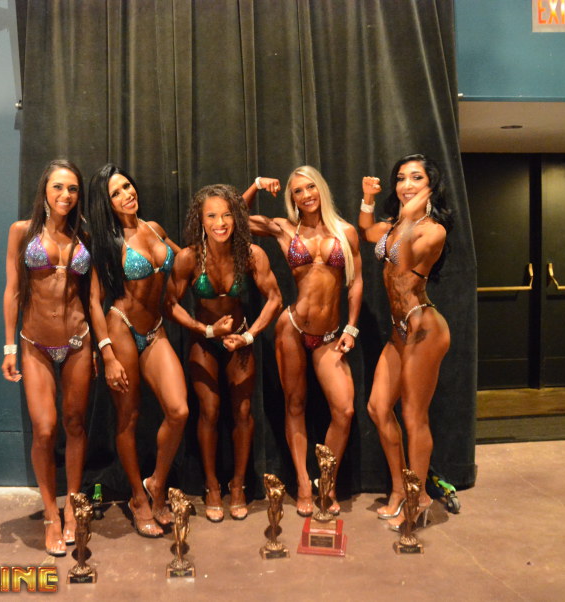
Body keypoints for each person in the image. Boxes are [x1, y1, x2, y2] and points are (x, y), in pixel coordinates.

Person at [2, 159, 108, 556]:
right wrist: (9, 347)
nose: (66, 195)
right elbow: (13, 290)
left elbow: (92, 298)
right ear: (44, 191)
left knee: (75, 424)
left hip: (78, 341)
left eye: (73, 189)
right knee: (45, 429)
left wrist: (102, 346)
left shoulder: (84, 235)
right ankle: (50, 513)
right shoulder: (21, 232)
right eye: (58, 187)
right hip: (35, 344)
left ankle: (73, 505)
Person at [244, 166, 362, 516]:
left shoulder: (345, 231)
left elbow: (355, 282)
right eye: (298, 191)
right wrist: (255, 186)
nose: (306, 195)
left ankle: (327, 483)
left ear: (321, 188)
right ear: (291, 198)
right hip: (293, 328)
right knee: (294, 405)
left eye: (310, 187)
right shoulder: (285, 229)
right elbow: (234, 219)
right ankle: (302, 483)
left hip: (329, 336)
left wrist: (352, 328)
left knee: (344, 410)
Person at [165, 184, 281, 522]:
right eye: (212, 216)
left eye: (227, 215)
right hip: (205, 340)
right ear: (200, 220)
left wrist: (248, 336)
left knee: (243, 412)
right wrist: (205, 330)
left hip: (239, 339)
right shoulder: (189, 257)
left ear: (236, 218)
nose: (220, 223)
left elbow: (275, 298)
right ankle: (212, 485)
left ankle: (239, 484)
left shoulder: (251, 254)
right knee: (209, 411)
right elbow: (169, 303)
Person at [86, 163, 187, 538]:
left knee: (178, 410)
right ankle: (138, 498)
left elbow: (189, 259)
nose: (126, 194)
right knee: (127, 419)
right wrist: (107, 354)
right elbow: (94, 301)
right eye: (116, 193)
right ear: (107, 203)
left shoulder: (155, 229)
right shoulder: (107, 244)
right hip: (122, 329)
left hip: (156, 330)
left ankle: (156, 483)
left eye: (127, 186)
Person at [357, 154, 452, 529]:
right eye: (401, 178)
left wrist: (409, 219)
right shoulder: (396, 224)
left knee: (414, 416)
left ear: (431, 186)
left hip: (424, 329)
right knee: (378, 408)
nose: (406, 185)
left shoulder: (433, 231)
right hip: (399, 331)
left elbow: (404, 259)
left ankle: (419, 496)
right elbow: (367, 232)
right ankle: (399, 489)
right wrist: (368, 197)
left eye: (416, 178)